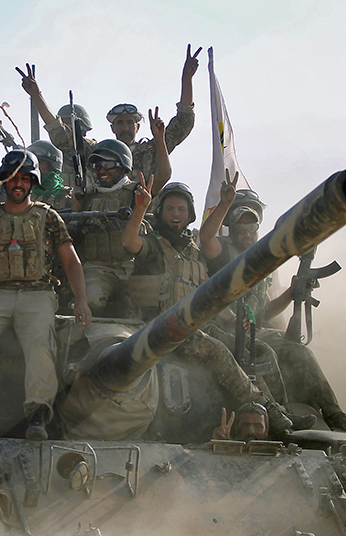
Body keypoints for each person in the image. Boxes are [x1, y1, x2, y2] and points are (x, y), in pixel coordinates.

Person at [120, 174, 315, 436]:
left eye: (181, 209)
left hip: (196, 326)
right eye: (169, 209)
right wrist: (141, 209)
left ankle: (277, 410)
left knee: (252, 350)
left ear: (189, 214)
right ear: (161, 213)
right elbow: (130, 242)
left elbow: (207, 294)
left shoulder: (192, 251)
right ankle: (273, 414)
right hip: (162, 330)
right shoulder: (153, 246)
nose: (175, 214)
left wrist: (232, 319)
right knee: (220, 353)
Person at [0, 149, 92, 441]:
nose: (18, 184)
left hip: (37, 293)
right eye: (13, 178)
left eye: (25, 179)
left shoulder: (48, 216)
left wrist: (81, 299)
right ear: (4, 181)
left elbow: (70, 260)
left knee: (40, 344)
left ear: (32, 182)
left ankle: (38, 412)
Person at [199, 189, 346, 437]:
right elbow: (206, 240)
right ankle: (283, 414)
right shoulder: (222, 254)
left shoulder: (260, 262)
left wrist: (292, 291)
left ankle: (336, 416)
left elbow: (265, 312)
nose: (247, 234)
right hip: (226, 330)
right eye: (241, 228)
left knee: (299, 351)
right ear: (230, 229)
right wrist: (224, 204)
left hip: (254, 330)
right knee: (265, 353)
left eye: (252, 228)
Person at [18, 44, 200, 191]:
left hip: (142, 216)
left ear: (137, 127)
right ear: (112, 128)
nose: (125, 128)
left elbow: (182, 124)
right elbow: (62, 135)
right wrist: (37, 96)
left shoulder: (151, 152)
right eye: (120, 123)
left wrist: (187, 79)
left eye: (130, 122)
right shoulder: (98, 153)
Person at [70, 113, 169, 315]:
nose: (102, 170)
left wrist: (160, 140)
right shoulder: (88, 196)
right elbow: (75, 232)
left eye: (108, 165)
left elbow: (164, 175)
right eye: (97, 166)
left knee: (143, 308)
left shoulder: (135, 192)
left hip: (130, 265)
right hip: (97, 267)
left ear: (123, 166)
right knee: (89, 301)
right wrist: (76, 207)